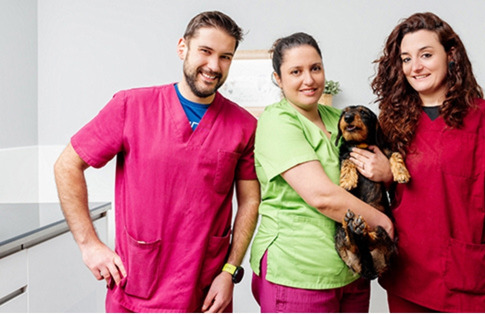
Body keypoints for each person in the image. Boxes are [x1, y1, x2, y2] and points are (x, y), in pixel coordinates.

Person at [53, 11, 259, 313]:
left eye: (225, 57)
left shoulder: (243, 125)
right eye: (205, 51)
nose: (214, 66)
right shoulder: (131, 107)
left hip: (205, 293)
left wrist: (229, 272)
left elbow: (250, 201)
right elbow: (66, 165)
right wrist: (89, 245)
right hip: (138, 288)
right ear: (182, 48)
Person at [349, 12, 485, 313]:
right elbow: (383, 198)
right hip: (407, 280)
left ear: (450, 55)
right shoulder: (390, 121)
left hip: (470, 283)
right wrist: (386, 175)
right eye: (406, 58)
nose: (416, 67)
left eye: (426, 54)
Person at [249, 32, 394, 313]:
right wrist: (382, 223)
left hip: (351, 270)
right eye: (296, 72)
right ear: (278, 79)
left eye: (315, 68)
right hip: (299, 271)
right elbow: (321, 196)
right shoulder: (277, 121)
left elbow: (378, 167)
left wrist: (386, 172)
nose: (309, 80)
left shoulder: (337, 118)